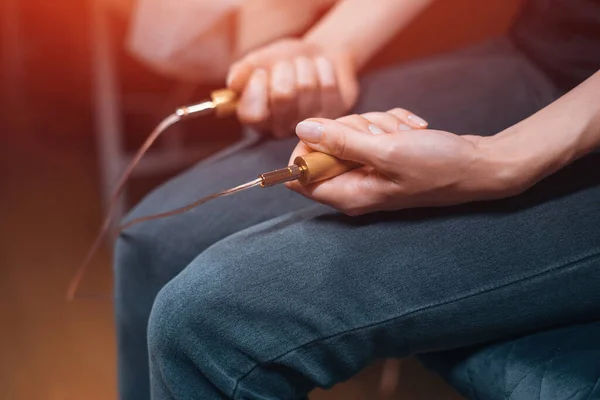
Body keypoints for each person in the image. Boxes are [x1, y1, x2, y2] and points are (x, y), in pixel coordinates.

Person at [114, 0, 600, 399]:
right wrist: (324, 48)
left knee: (210, 317)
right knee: (156, 243)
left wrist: (505, 160)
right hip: (551, 62)